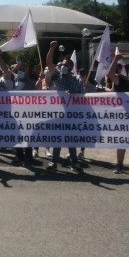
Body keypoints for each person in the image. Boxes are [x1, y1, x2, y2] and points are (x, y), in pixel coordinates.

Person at [45, 41, 83, 172]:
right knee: (57, 138)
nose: (63, 67)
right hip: (58, 113)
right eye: (63, 65)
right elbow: (49, 63)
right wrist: (52, 48)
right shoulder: (57, 76)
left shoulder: (77, 79)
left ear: (71, 68)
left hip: (72, 114)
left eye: (66, 65)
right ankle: (54, 162)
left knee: (71, 139)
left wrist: (75, 94)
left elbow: (83, 97)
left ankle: (74, 162)